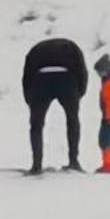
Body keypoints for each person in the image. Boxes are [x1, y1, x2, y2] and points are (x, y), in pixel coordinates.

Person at [21, 37, 88, 175]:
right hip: (67, 79)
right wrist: (79, 94)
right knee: (72, 120)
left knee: (36, 125)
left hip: (41, 79)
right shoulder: (71, 47)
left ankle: (36, 165)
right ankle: (74, 161)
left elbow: (26, 76)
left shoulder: (36, 49)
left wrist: (30, 101)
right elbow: (82, 71)